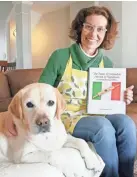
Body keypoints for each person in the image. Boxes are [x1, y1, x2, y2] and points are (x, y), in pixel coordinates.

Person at [4, 6, 136, 177]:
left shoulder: (107, 63)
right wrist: (9, 113)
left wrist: (122, 97)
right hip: (67, 117)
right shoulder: (60, 57)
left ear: (106, 33)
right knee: (103, 128)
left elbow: (108, 97)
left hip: (96, 114)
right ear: (80, 27)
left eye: (100, 29)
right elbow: (39, 91)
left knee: (126, 123)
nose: (93, 33)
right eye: (89, 26)